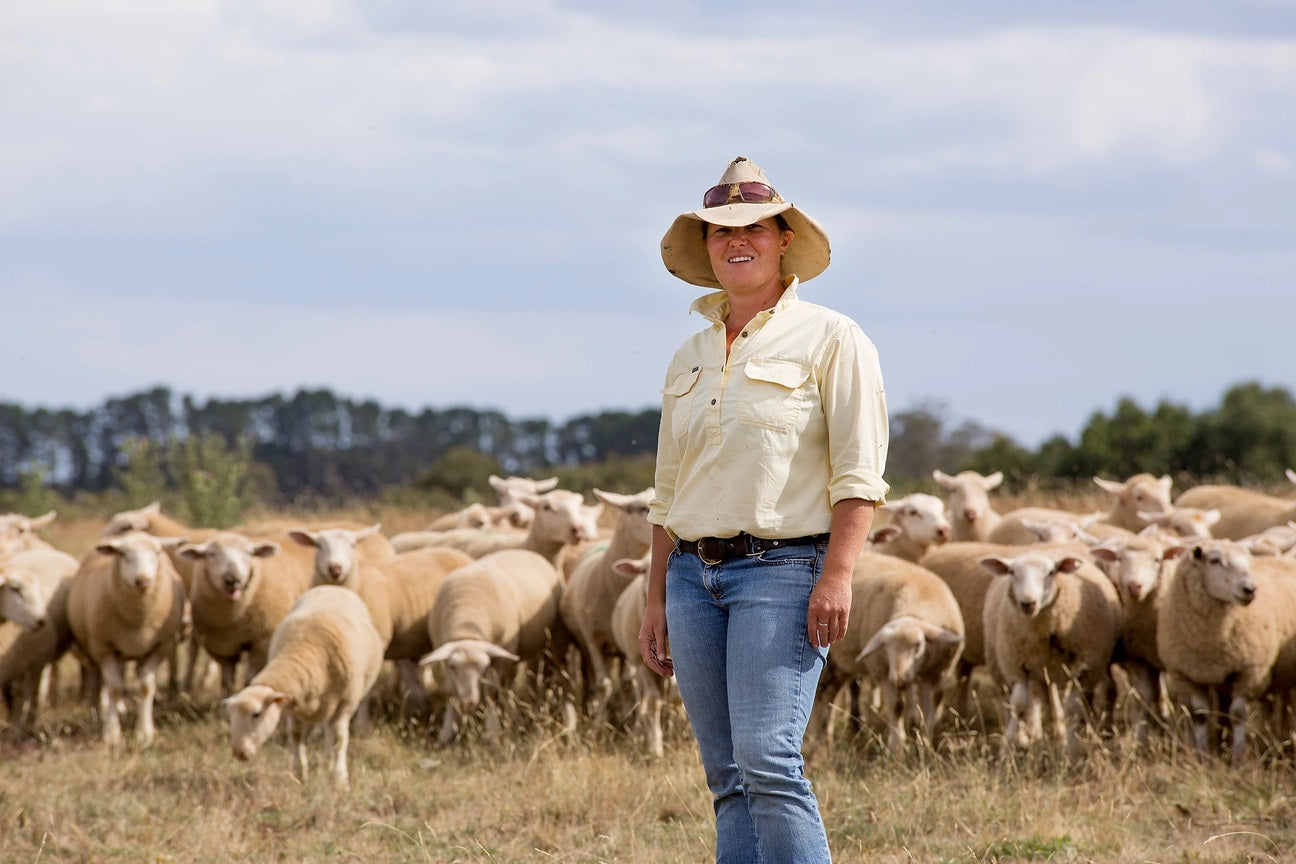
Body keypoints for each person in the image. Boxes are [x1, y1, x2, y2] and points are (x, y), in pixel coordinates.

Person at [638, 155, 890, 864]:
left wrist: (837, 576)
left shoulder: (833, 339)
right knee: (726, 775)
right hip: (692, 576)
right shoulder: (688, 355)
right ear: (706, 247)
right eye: (720, 232)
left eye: (753, 228)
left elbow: (858, 473)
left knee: (769, 762)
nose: (735, 241)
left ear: (783, 240)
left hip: (782, 571)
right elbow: (667, 489)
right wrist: (655, 595)